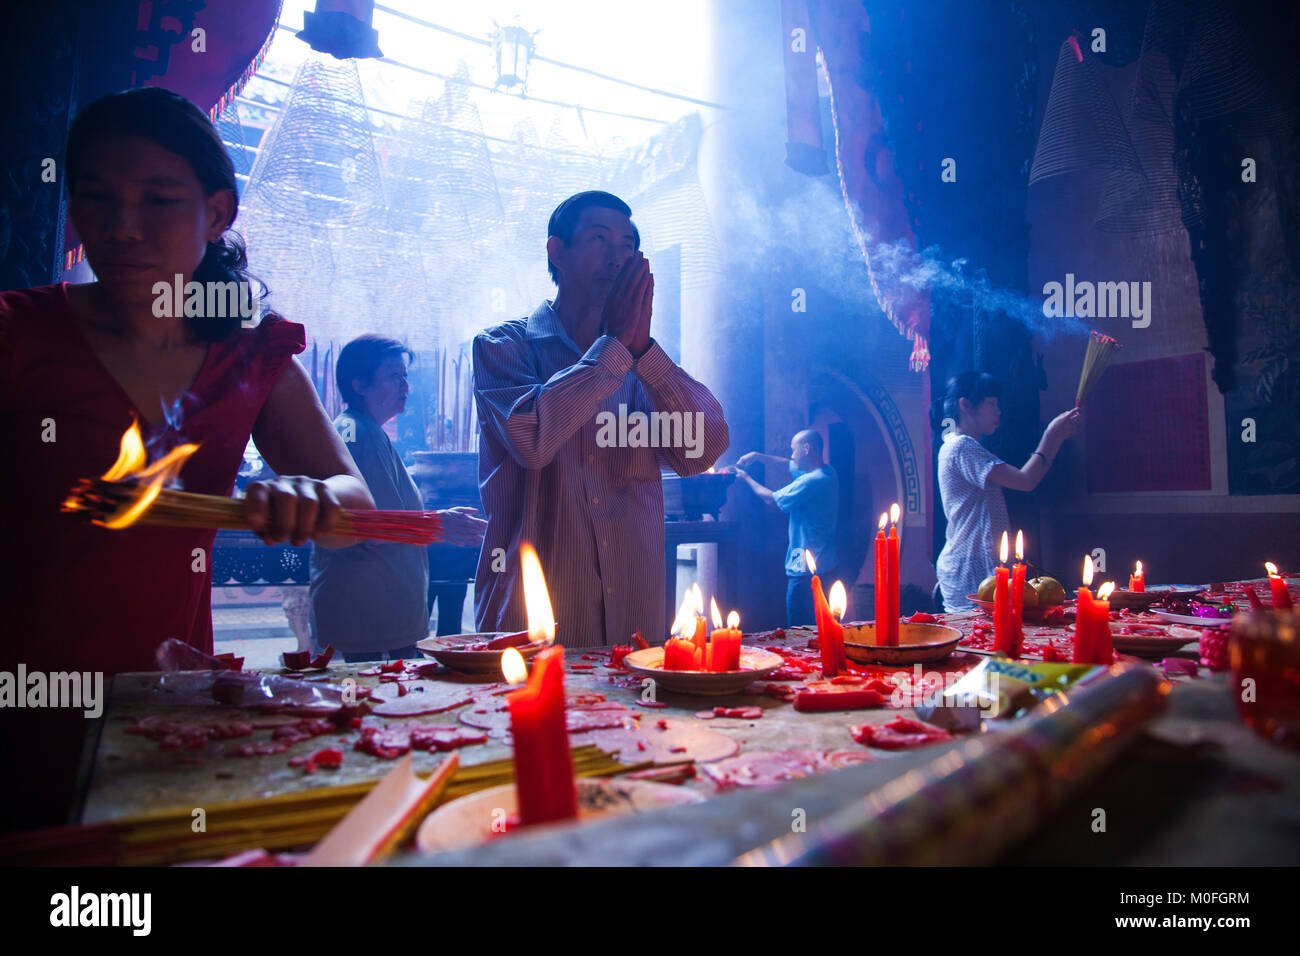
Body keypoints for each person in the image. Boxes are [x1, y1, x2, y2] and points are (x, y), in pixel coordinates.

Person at [0, 88, 375, 828]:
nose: (121, 228)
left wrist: (308, 497)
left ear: (218, 212)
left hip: (168, 702)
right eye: (96, 200)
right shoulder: (17, 333)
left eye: (159, 200)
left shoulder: (251, 357)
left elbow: (356, 511)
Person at [472, 191, 729, 647]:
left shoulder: (641, 363)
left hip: (633, 623)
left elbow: (703, 449)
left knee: (638, 718)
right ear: (557, 251)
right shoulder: (502, 347)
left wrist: (644, 352)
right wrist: (615, 349)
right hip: (529, 622)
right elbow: (532, 440)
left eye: (628, 245)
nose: (617, 256)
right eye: (599, 239)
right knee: (521, 719)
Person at [309, 335, 486, 662]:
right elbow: (374, 526)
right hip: (370, 614)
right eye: (394, 376)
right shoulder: (360, 435)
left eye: (405, 376)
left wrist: (438, 521)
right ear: (359, 384)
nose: (405, 385)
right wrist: (439, 524)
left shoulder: (364, 430)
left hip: (378, 614)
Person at [935, 372, 1080, 611]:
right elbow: (1026, 480)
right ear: (965, 406)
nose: (998, 411)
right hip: (969, 564)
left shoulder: (958, 446)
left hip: (970, 561)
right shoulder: (962, 446)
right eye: (991, 404)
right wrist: (1053, 435)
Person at [734, 429, 840, 626]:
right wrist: (759, 457)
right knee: (823, 627)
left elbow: (772, 500)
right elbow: (789, 465)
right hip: (828, 565)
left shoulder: (810, 482)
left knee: (799, 629)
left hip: (805, 571)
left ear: (806, 449)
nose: (791, 455)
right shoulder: (828, 472)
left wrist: (745, 478)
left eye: (794, 450)